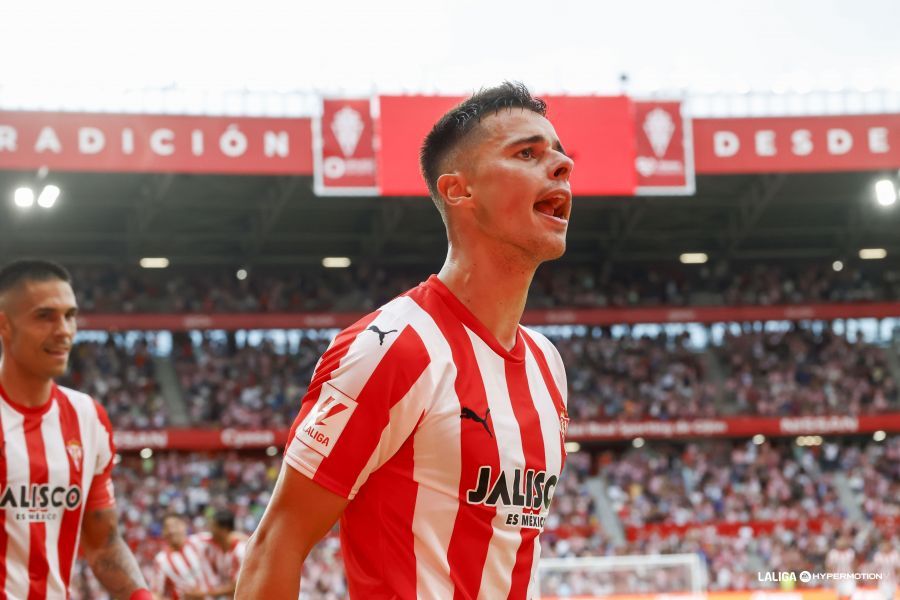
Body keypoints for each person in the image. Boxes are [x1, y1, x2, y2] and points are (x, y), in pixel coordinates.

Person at [237, 82, 573, 599]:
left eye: (559, 153)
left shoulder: (547, 365)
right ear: (459, 190)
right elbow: (274, 547)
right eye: (527, 153)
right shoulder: (395, 346)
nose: (560, 165)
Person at [0, 259, 150, 600]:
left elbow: (103, 544)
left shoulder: (88, 418)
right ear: (4, 325)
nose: (64, 330)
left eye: (70, 315)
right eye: (45, 316)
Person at [152, 513, 219, 600]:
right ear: (163, 532)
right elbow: (156, 594)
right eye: (167, 527)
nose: (172, 531)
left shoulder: (201, 541)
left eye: (175, 525)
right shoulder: (161, 560)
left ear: (184, 526)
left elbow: (230, 537)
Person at [195, 509, 248, 598]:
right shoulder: (214, 543)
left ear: (224, 529)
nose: (210, 529)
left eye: (213, 526)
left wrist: (203, 594)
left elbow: (236, 586)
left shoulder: (240, 552)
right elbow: (192, 540)